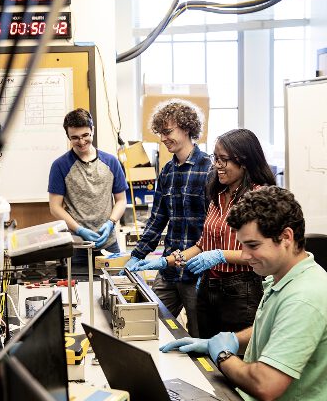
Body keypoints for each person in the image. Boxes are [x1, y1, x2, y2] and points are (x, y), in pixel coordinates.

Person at [160, 186, 327, 401]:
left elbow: (266, 385)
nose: (245, 256)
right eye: (242, 246)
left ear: (287, 237)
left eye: (253, 246)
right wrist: (226, 341)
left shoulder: (304, 297)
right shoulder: (285, 278)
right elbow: (275, 328)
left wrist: (223, 356)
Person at [130, 128, 276, 338]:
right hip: (209, 288)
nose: (217, 166)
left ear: (244, 161)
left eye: (223, 160)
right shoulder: (218, 194)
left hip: (241, 290)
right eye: (216, 158)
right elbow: (202, 246)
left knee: (234, 355)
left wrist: (221, 255)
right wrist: (167, 261)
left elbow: (265, 252)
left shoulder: (259, 197)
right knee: (205, 351)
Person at [122, 99, 211, 337]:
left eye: (168, 131)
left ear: (187, 128)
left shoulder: (209, 169)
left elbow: (214, 228)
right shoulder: (167, 172)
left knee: (198, 336)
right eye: (161, 132)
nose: (163, 138)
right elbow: (157, 219)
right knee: (150, 326)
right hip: (169, 270)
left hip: (197, 271)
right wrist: (137, 255)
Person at [48, 108, 127, 265]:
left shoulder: (111, 162)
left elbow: (121, 200)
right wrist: (79, 229)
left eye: (85, 135)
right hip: (78, 246)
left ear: (92, 130)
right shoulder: (60, 166)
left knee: (113, 288)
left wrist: (111, 222)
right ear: (68, 137)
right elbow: (55, 207)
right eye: (75, 138)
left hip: (109, 244)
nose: (82, 142)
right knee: (79, 287)